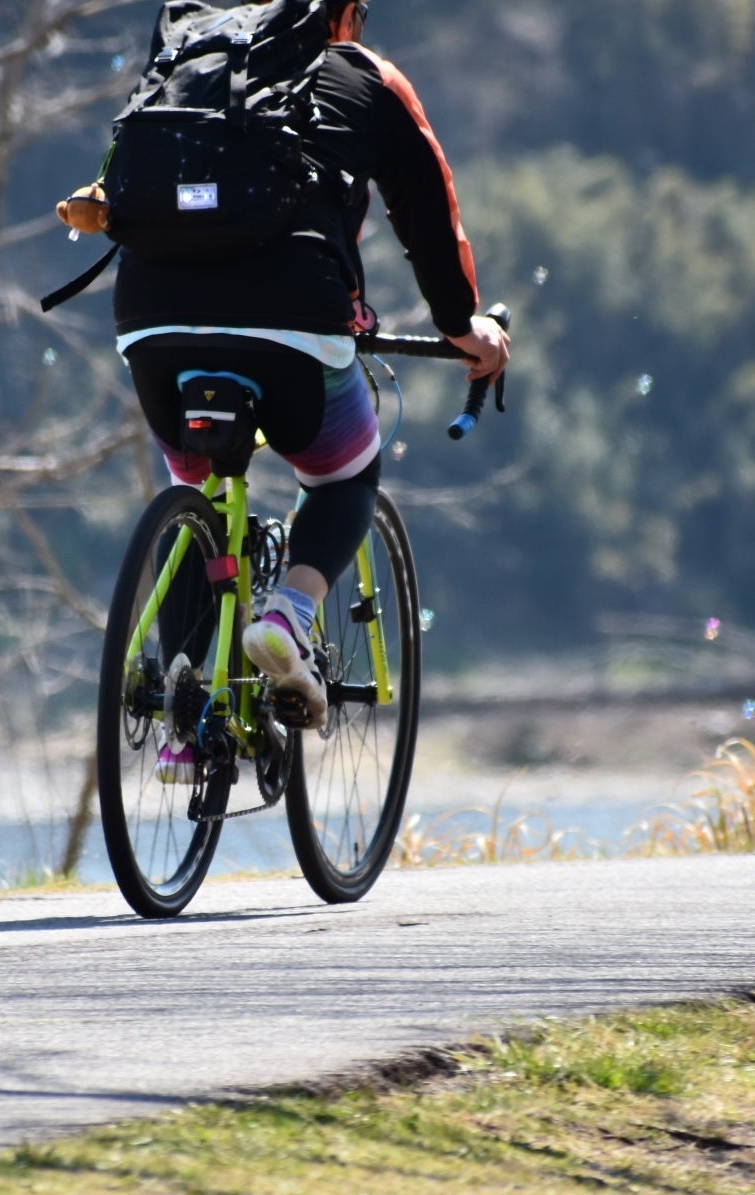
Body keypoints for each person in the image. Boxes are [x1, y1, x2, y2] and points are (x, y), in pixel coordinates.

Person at [82, 0, 509, 779]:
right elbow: (427, 209)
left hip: (150, 321)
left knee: (199, 499)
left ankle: (184, 716)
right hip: (294, 319)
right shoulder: (365, 76)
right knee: (347, 473)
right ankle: (289, 612)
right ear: (342, 10)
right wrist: (461, 324)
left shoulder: (186, 59)